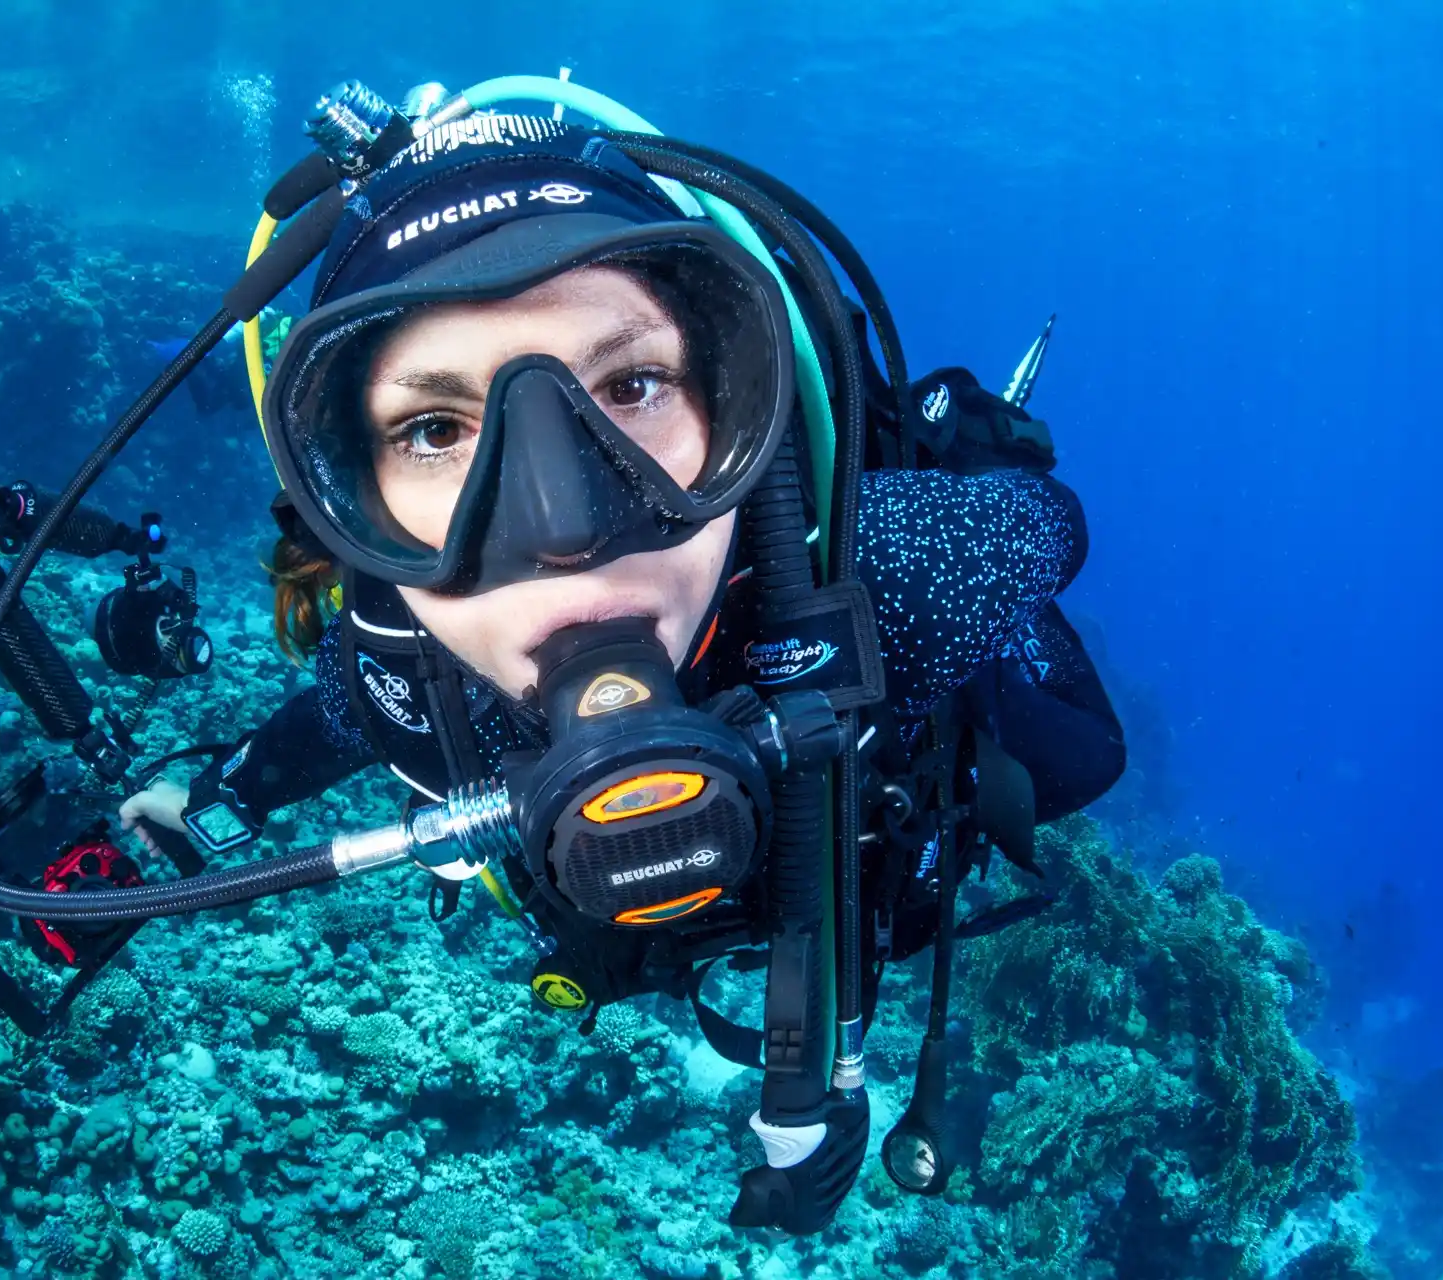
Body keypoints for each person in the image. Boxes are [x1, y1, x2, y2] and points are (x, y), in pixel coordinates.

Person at [120, 113, 1125, 1232]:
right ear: (351, 502)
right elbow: (337, 716)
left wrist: (985, 459)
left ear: (739, 413)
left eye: (635, 384)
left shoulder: (877, 577)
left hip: (895, 728)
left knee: (1080, 758)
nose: (561, 527)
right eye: (438, 430)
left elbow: (1046, 520)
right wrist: (216, 801)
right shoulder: (403, 667)